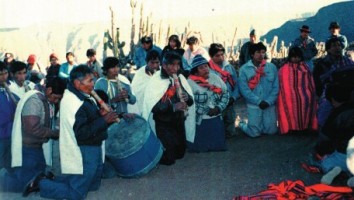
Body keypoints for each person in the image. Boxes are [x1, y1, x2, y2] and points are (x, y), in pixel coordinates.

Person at [22, 65, 119, 199]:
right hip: (84, 149)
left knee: (91, 184)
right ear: (77, 83)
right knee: (77, 193)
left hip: (94, 145)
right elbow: (82, 133)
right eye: (90, 81)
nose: (93, 84)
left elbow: (87, 120)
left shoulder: (82, 97)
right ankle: (42, 184)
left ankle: (51, 179)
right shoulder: (74, 102)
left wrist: (100, 115)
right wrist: (104, 120)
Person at [0, 77, 65, 193]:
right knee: (26, 184)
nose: (56, 101)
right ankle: (4, 179)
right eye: (56, 98)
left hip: (36, 148)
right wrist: (53, 133)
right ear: (49, 90)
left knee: (37, 178)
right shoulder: (35, 100)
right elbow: (32, 128)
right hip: (27, 149)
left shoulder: (44, 99)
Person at [142, 52, 195, 165]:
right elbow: (154, 107)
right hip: (164, 123)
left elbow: (190, 101)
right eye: (172, 65)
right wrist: (174, 107)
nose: (176, 68)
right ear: (164, 65)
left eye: (178, 65)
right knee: (169, 159)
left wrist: (187, 98)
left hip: (179, 121)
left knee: (180, 154)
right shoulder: (156, 81)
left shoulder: (179, 77)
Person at [313, 83, 354, 186]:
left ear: (332, 99)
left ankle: (339, 172)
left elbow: (325, 139)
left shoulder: (336, 114)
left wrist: (320, 152)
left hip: (344, 154)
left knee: (324, 162)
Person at [187, 55, 228, 152]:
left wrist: (218, 108)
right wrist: (206, 111)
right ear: (195, 71)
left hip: (216, 116)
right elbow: (190, 103)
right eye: (201, 68)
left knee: (218, 147)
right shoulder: (189, 82)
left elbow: (226, 94)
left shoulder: (215, 78)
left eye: (206, 66)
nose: (205, 69)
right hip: (200, 120)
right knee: (200, 148)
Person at [238, 42, 279, 137]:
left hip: (269, 104)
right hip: (254, 105)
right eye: (258, 52)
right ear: (252, 54)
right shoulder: (244, 69)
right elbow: (244, 90)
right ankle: (243, 125)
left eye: (263, 52)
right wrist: (258, 101)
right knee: (254, 133)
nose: (261, 55)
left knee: (271, 131)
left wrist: (268, 101)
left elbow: (276, 87)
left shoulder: (271, 67)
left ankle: (261, 124)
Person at [313, 37, 354, 128]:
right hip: (329, 94)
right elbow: (318, 82)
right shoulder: (322, 64)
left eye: (339, 45)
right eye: (334, 46)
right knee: (325, 113)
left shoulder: (348, 62)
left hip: (348, 91)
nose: (337, 48)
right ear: (328, 49)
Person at [277, 47, 317, 134]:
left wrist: (307, 93)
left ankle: (304, 127)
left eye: (298, 56)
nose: (296, 59)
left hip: (304, 93)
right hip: (289, 94)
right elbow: (283, 83)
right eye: (293, 57)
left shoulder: (305, 67)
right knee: (289, 104)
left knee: (306, 101)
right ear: (290, 57)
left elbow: (309, 83)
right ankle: (291, 128)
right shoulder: (284, 68)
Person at [208, 43, 240, 138]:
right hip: (216, 103)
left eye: (222, 54)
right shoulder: (208, 69)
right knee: (217, 125)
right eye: (217, 55)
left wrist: (233, 97)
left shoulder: (229, 67)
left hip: (229, 101)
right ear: (211, 56)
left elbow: (236, 84)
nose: (221, 57)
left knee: (230, 122)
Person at [0, 61, 16, 172]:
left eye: (5, 73)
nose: (3, 77)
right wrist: (10, 117)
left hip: (10, 132)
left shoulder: (7, 88)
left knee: (9, 163)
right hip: (1, 133)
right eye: (0, 74)